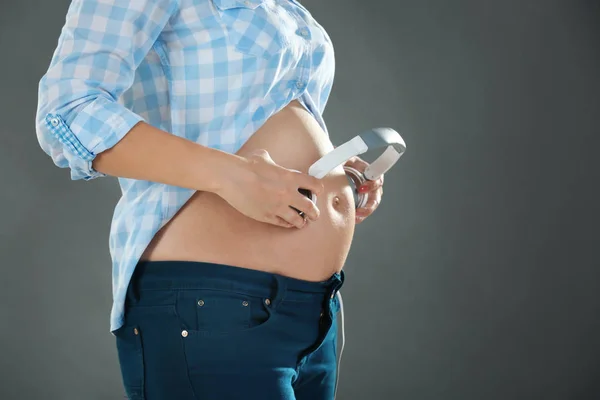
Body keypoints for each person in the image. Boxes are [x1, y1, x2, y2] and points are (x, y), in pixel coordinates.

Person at [35, 0, 384, 399]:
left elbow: (247, 121)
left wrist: (332, 170)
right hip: (214, 305)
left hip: (315, 309)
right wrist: (231, 176)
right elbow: (67, 111)